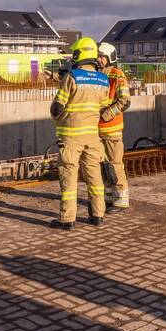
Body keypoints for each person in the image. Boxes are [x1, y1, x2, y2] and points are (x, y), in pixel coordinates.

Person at [49, 37, 110, 229]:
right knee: (95, 177)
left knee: (69, 177)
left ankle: (67, 220)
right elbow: (103, 108)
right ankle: (98, 216)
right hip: (92, 137)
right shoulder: (103, 79)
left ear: (79, 54)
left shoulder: (72, 77)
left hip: (71, 137)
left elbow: (57, 108)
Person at [97, 42, 131, 212]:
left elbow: (125, 100)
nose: (99, 59)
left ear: (110, 58)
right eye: (98, 56)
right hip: (98, 130)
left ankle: (121, 201)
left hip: (112, 129)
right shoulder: (95, 74)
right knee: (104, 167)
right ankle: (109, 198)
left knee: (115, 165)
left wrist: (106, 114)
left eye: (102, 56)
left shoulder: (117, 75)